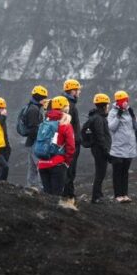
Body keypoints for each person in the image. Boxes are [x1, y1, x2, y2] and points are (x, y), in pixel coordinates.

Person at [38, 96, 76, 207]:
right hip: (58, 164)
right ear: (64, 108)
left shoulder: (44, 122)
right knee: (56, 198)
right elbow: (71, 147)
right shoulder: (65, 125)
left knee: (47, 196)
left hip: (42, 164)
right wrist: (67, 162)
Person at [108, 90, 137, 203]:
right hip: (117, 148)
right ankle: (118, 195)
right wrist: (118, 115)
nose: (125, 102)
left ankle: (125, 194)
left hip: (129, 147)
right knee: (117, 172)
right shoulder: (112, 112)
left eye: (126, 100)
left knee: (125, 172)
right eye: (123, 101)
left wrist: (133, 116)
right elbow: (111, 127)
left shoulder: (129, 112)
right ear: (118, 101)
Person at [86, 93, 113, 204]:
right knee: (100, 173)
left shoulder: (97, 117)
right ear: (103, 106)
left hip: (98, 149)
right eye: (107, 105)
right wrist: (106, 151)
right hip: (100, 150)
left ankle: (98, 195)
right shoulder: (98, 119)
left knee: (101, 172)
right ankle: (96, 197)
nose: (108, 107)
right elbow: (100, 137)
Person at [60, 79, 82, 208]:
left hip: (71, 142)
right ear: (73, 91)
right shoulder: (69, 106)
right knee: (69, 171)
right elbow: (66, 126)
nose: (79, 92)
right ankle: (68, 197)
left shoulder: (68, 104)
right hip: (71, 144)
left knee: (69, 171)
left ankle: (69, 195)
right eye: (78, 90)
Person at [22, 85, 49, 190]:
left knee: (32, 167)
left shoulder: (32, 107)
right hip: (35, 142)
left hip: (31, 142)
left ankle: (31, 188)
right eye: (45, 97)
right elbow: (34, 129)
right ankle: (41, 188)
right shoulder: (34, 110)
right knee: (39, 166)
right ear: (41, 98)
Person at [0, 96, 11, 181]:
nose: (4, 110)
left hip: (4, 148)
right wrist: (3, 117)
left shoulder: (1, 117)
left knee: (0, 170)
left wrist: (8, 147)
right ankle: (1, 185)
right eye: (1, 108)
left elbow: (4, 134)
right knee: (4, 168)